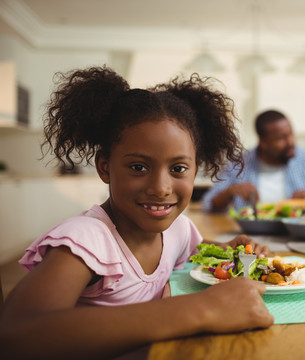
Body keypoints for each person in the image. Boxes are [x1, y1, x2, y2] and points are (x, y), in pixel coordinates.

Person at [0, 67, 273, 360]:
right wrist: (201, 309)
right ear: (105, 167)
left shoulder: (176, 228)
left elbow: (198, 252)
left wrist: (230, 250)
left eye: (178, 168)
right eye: (138, 167)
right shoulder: (86, 242)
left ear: (196, 169)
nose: (160, 188)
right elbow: (15, 334)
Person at [201, 109, 305, 212]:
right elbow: (207, 205)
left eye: (291, 134)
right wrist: (230, 191)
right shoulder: (239, 163)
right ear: (263, 142)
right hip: (250, 236)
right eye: (281, 138)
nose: (290, 142)